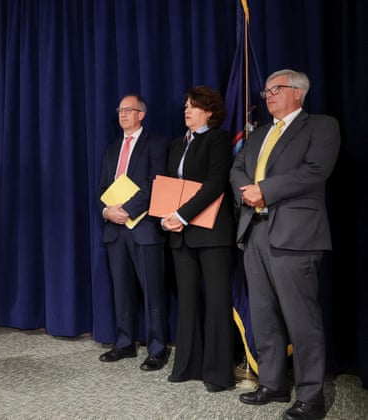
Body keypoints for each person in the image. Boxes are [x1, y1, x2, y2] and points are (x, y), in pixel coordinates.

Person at [231, 69, 340, 420]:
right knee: (264, 316)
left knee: (301, 319)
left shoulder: (321, 126)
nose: (268, 95)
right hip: (256, 232)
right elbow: (237, 169)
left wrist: (266, 190)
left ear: (298, 92)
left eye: (275, 89)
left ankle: (311, 398)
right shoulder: (260, 133)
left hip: (295, 235)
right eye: (266, 90)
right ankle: (273, 384)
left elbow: (315, 170)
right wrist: (247, 192)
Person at [162, 86, 236, 392]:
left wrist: (180, 215)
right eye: (185, 107)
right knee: (188, 301)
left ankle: (218, 374)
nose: (187, 111)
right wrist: (168, 217)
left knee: (217, 301)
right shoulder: (178, 144)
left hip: (211, 232)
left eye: (193, 107)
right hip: (180, 236)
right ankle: (187, 366)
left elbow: (215, 184)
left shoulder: (218, 139)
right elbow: (171, 185)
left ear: (209, 111)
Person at [97, 94, 170, 370]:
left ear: (142, 114)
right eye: (120, 110)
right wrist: (107, 211)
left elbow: (156, 183)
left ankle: (157, 349)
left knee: (152, 291)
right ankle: (125, 343)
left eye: (129, 110)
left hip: (144, 228)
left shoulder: (157, 144)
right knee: (122, 290)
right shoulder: (111, 149)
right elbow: (102, 188)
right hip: (115, 230)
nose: (123, 114)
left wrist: (127, 209)